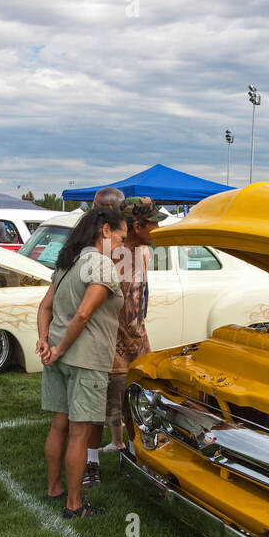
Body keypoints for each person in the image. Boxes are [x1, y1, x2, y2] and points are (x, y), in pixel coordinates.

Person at [36, 205, 126, 518]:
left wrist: (45, 341)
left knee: (58, 426)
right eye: (120, 236)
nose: (122, 244)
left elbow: (44, 308)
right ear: (105, 231)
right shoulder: (100, 264)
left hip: (58, 358)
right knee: (78, 432)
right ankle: (75, 505)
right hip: (85, 359)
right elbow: (84, 314)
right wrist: (57, 347)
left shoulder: (66, 262)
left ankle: (53, 488)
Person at [96, 197, 160, 465]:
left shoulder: (142, 251)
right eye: (152, 224)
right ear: (137, 225)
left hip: (136, 337)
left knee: (141, 395)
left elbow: (139, 295)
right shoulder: (112, 254)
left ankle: (139, 446)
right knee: (116, 395)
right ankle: (119, 442)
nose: (156, 229)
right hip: (115, 339)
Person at [82, 186, 127, 478]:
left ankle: (94, 462)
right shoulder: (109, 251)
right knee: (110, 402)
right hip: (115, 334)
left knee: (102, 404)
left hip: (114, 336)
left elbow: (87, 307)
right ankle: (105, 455)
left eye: (97, 207)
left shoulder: (116, 251)